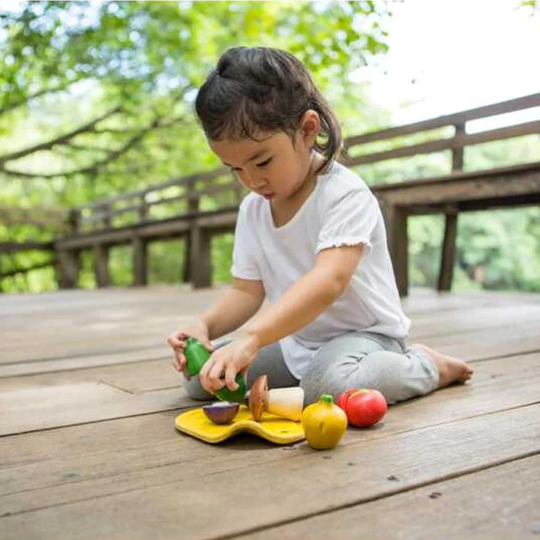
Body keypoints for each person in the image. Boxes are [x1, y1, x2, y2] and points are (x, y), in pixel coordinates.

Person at [166, 46, 473, 406]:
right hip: (295, 339)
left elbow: (329, 281)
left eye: (262, 162)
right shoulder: (253, 209)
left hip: (364, 338)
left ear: (308, 130)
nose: (251, 180)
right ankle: (298, 374)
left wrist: (252, 336)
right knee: (202, 380)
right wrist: (205, 327)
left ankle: (425, 365)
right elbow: (246, 291)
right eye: (235, 169)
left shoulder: (343, 194)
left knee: (326, 388)